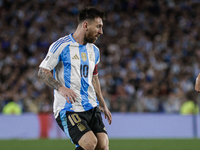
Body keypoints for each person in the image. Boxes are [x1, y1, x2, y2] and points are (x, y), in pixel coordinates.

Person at [38, 7, 112, 150]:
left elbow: (94, 77)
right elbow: (42, 71)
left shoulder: (95, 50)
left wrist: (102, 102)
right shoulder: (62, 45)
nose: (101, 32)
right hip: (69, 108)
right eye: (98, 26)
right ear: (85, 25)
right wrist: (61, 88)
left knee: (103, 145)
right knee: (89, 143)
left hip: (91, 105)